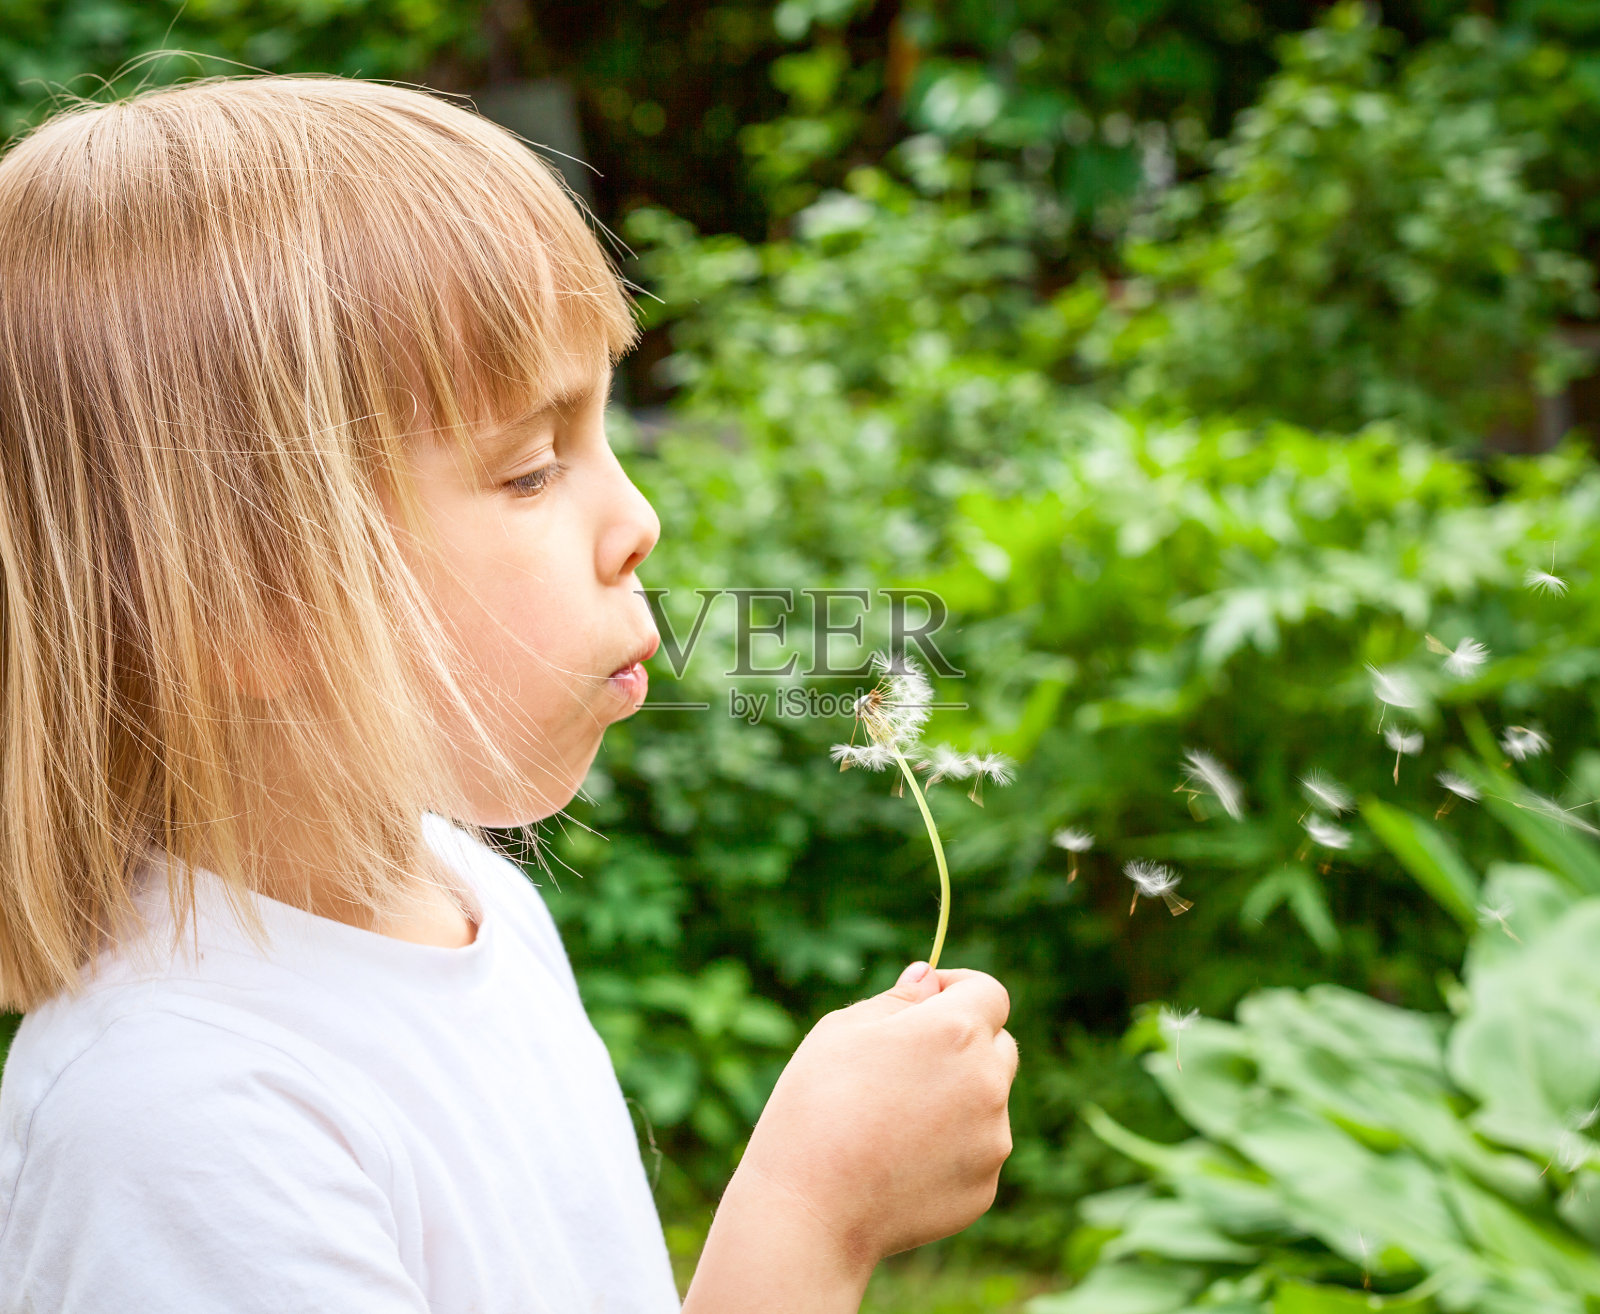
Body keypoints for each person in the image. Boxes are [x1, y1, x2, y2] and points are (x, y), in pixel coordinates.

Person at [0, 76, 1018, 1312]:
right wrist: (809, 1220)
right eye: (533, 469)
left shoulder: (472, 897)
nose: (637, 520)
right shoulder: (180, 1120)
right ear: (248, 609)